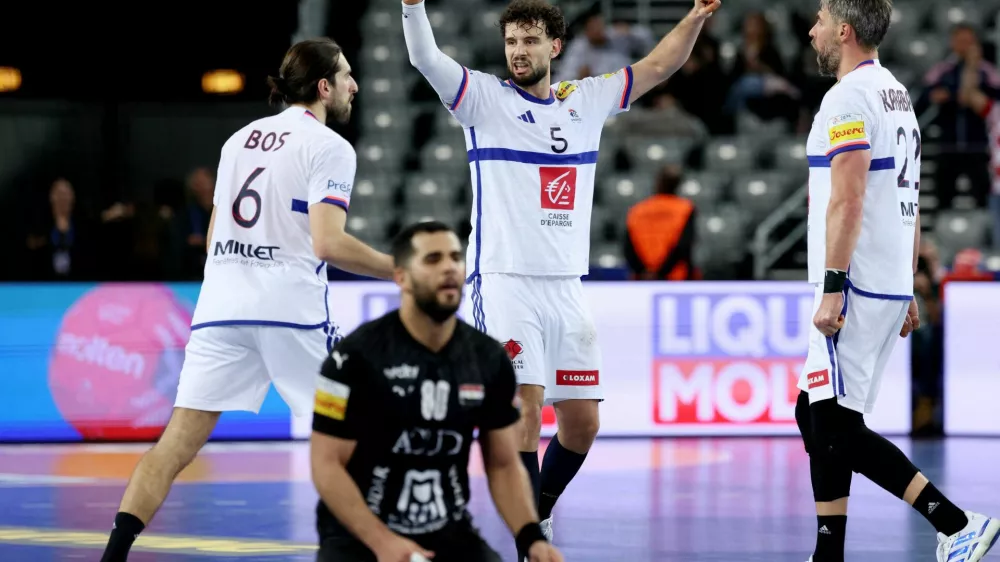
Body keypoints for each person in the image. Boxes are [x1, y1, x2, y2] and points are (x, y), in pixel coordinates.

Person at [400, 0, 720, 557]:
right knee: (525, 408)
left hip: (566, 285)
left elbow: (658, 67)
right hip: (504, 280)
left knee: (582, 425)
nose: (518, 52)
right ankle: (528, 540)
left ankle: (537, 515)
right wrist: (411, 5)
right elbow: (425, 56)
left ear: (555, 46)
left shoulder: (585, 100)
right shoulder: (483, 100)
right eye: (511, 42)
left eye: (529, 41)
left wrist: (693, 18)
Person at [100, 38, 396, 562]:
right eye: (347, 75)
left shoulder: (238, 140)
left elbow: (215, 237)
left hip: (221, 310)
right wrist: (400, 269)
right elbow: (328, 244)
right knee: (369, 431)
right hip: (288, 315)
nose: (355, 85)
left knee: (172, 449)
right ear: (324, 87)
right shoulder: (331, 148)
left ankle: (113, 557)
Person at [798, 2, 1000, 561]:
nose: (811, 30)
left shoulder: (848, 97)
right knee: (813, 412)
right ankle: (829, 551)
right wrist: (907, 282)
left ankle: (955, 523)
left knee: (834, 422)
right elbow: (908, 200)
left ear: (843, 30)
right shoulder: (897, 93)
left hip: (855, 286)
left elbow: (851, 195)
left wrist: (834, 284)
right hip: (883, 283)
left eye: (818, 19)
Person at [311, 220, 563, 562]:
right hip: (359, 536)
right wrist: (382, 542)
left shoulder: (488, 359)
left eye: (455, 258)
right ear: (400, 277)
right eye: (432, 259)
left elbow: (503, 464)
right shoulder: (353, 359)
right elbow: (326, 466)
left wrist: (532, 538)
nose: (448, 267)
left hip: (449, 533)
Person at [623, 164, 697, 281]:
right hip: (674, 278)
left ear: (657, 182)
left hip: (642, 279)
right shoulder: (685, 209)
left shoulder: (638, 210)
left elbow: (628, 246)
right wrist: (661, 272)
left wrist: (644, 272)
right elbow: (683, 245)